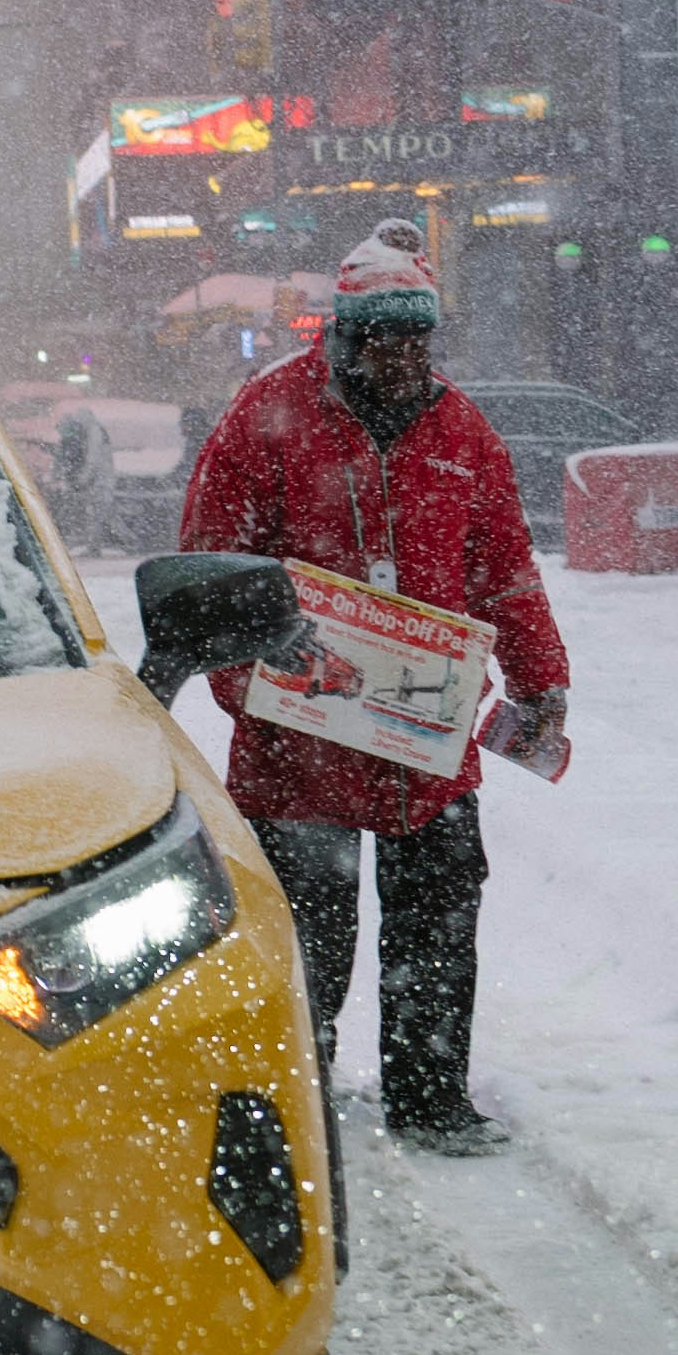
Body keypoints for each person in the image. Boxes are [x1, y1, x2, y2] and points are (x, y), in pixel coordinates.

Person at [177, 226, 574, 1154]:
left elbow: (506, 571)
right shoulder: (264, 417)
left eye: (416, 340)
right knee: (306, 943)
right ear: (344, 337)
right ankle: (294, 1108)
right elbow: (212, 569)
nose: (401, 358)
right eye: (382, 339)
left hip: (427, 751)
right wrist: (256, 687)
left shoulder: (463, 432)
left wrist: (541, 680)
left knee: (436, 928)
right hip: (297, 747)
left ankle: (431, 1099)